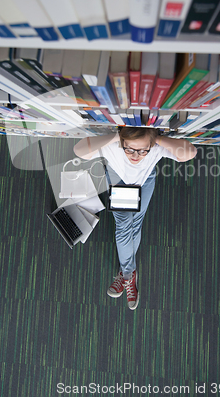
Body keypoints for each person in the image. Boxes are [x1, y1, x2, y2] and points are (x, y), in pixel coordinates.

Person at [73, 127, 197, 310]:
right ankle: (128, 275)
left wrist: (155, 139)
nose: (136, 155)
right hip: (118, 181)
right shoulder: (115, 144)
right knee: (123, 226)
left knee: (136, 224)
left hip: (144, 181)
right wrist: (118, 137)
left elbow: (190, 153)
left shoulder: (154, 146)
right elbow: (79, 150)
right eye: (129, 149)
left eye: (142, 151)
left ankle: (127, 272)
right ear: (123, 143)